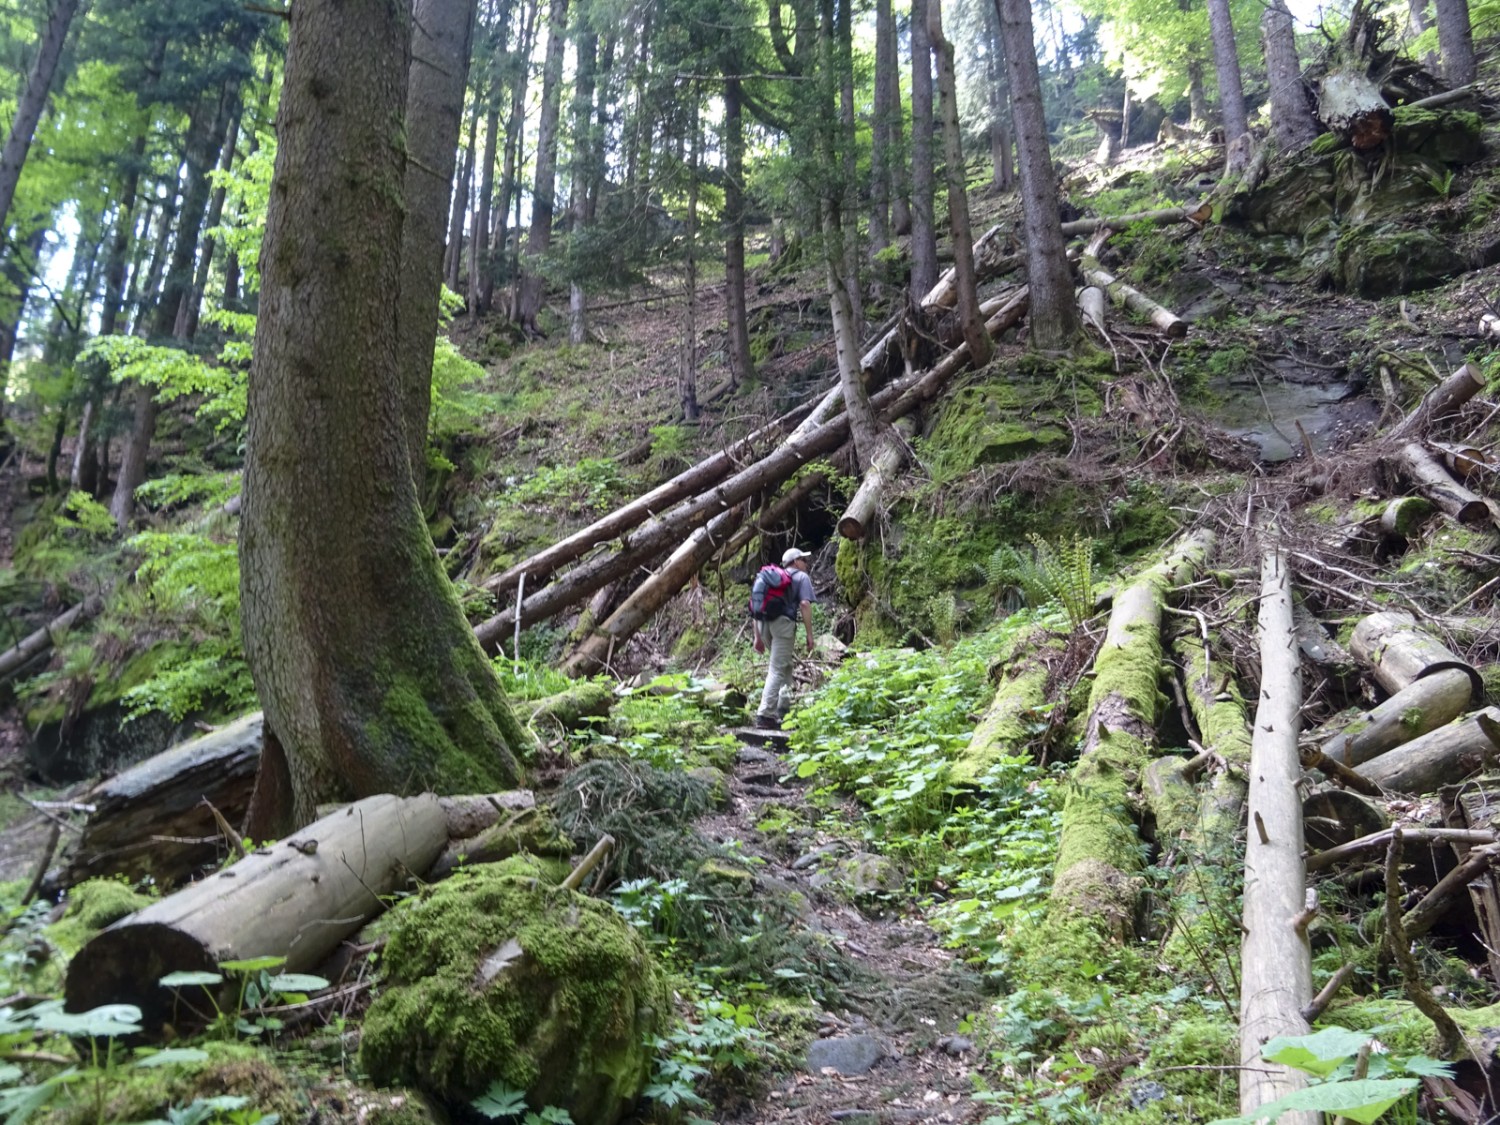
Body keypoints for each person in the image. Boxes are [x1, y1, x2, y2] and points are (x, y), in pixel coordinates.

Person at [753, 547, 816, 730]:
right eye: (803, 560)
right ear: (795, 562)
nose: (806, 563)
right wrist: (810, 635)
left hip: (764, 625)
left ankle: (783, 708)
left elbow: (756, 607)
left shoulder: (769, 579)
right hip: (782, 625)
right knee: (777, 669)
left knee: (785, 664)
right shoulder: (801, 577)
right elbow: (804, 604)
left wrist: (757, 637)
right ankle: (765, 715)